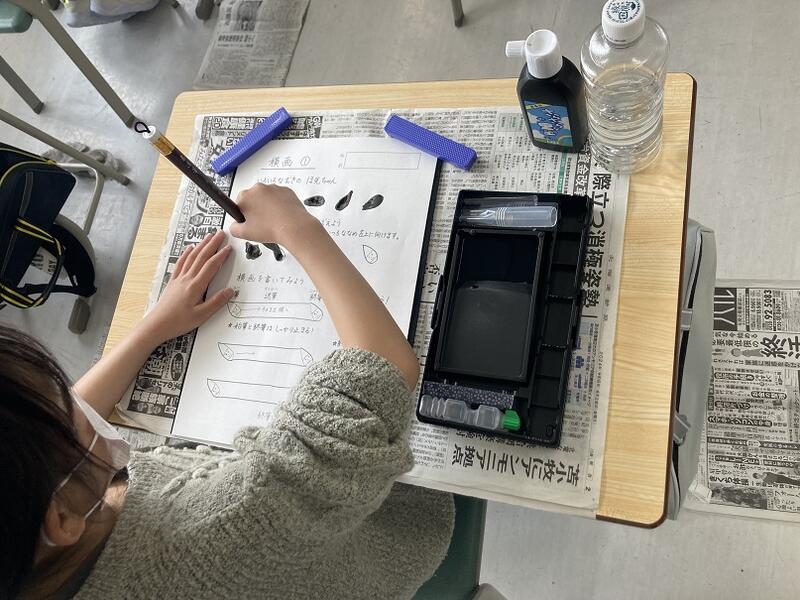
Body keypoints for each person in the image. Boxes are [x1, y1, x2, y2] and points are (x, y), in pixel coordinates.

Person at [1, 184, 454, 599]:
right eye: (64, 411)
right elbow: (382, 369)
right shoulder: (226, 525)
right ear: (60, 519)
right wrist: (296, 227)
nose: (76, 401)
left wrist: (152, 327)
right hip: (385, 522)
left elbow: (45, 435)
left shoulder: (40, 545)